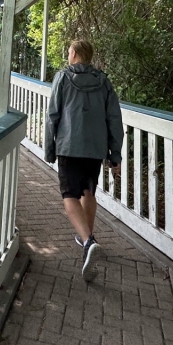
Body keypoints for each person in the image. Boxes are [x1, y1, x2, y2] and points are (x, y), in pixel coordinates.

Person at [44, 39, 124, 282]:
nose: (68, 55)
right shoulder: (104, 81)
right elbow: (114, 119)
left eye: (69, 51)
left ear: (76, 53)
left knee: (69, 195)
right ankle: (86, 241)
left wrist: (50, 148)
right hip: (95, 148)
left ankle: (88, 242)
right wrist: (115, 154)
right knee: (88, 193)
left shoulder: (62, 78)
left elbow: (52, 116)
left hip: (69, 146)